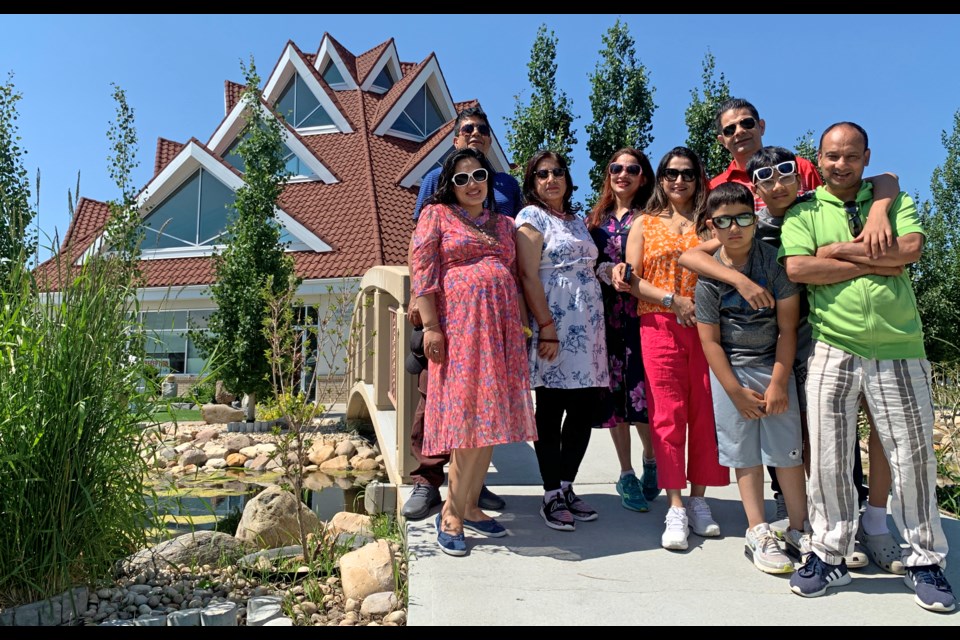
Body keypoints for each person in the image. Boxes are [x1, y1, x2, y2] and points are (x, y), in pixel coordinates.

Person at [680, 146, 903, 573]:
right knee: (783, 440)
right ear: (756, 188)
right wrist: (741, 282)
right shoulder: (755, 222)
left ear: (802, 176)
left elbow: (887, 178)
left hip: (814, 339)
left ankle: (842, 523)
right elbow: (691, 256)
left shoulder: (817, 207)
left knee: (825, 438)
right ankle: (773, 526)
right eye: (766, 177)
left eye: (785, 173)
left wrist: (876, 215)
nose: (776, 182)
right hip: (764, 351)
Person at [781, 122, 953, 612]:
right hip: (833, 346)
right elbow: (799, 268)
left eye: (851, 156)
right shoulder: (805, 210)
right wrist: (877, 260)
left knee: (914, 458)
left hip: (899, 345)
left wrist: (836, 251)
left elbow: (911, 250)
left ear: (866, 157)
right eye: (832, 156)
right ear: (820, 158)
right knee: (830, 459)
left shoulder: (895, 201)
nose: (841, 164)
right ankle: (830, 553)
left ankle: (925, 560)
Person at [410, 147, 537, 556]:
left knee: (490, 421)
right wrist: (431, 326)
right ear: (450, 184)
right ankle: (450, 511)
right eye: (461, 178)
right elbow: (424, 274)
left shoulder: (503, 224)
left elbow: (514, 277)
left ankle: (469, 504)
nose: (471, 184)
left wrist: (524, 324)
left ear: (488, 179)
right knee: (466, 421)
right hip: (461, 332)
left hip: (499, 333)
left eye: (478, 175)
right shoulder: (436, 216)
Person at [403, 106, 519, 520]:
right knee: (444, 405)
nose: (472, 182)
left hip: (496, 326)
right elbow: (422, 254)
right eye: (467, 128)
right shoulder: (436, 192)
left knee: (486, 411)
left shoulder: (506, 192)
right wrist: (425, 312)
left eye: (482, 129)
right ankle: (429, 482)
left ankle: (470, 494)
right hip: (455, 323)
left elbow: (515, 262)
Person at [613, 147, 730, 551]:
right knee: (667, 416)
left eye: (687, 173)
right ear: (660, 178)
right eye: (670, 173)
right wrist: (671, 301)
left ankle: (699, 499)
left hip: (707, 325)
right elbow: (631, 279)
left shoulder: (712, 223)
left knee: (704, 412)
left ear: (699, 178)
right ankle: (675, 504)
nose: (678, 180)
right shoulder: (644, 223)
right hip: (659, 323)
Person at [695, 182, 806, 575]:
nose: (735, 227)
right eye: (724, 221)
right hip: (732, 374)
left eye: (743, 217)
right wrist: (735, 391)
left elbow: (788, 329)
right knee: (744, 456)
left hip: (775, 366)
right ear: (712, 226)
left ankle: (798, 528)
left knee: (787, 453)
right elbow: (709, 341)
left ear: (754, 219)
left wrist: (778, 381)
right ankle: (758, 531)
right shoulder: (708, 279)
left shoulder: (774, 264)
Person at [516, 150, 609, 532]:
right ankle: (550, 493)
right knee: (552, 410)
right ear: (532, 182)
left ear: (568, 179)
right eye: (542, 174)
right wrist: (546, 326)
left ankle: (568, 485)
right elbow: (527, 273)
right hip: (555, 323)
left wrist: (608, 269)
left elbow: (587, 264)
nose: (550, 179)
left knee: (583, 409)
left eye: (557, 172)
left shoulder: (577, 220)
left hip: (589, 325)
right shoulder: (531, 217)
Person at [586, 147, 660, 513]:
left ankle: (650, 459)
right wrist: (606, 273)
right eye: (616, 167)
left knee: (644, 393)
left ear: (643, 177)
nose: (623, 174)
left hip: (643, 314)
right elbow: (592, 264)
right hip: (607, 318)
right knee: (616, 397)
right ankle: (626, 472)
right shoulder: (594, 219)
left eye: (632, 169)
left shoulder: (653, 216)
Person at [709, 97, 823, 210]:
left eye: (747, 123)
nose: (739, 131)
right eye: (730, 130)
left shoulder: (800, 167)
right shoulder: (714, 187)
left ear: (761, 126)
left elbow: (823, 212)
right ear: (722, 141)